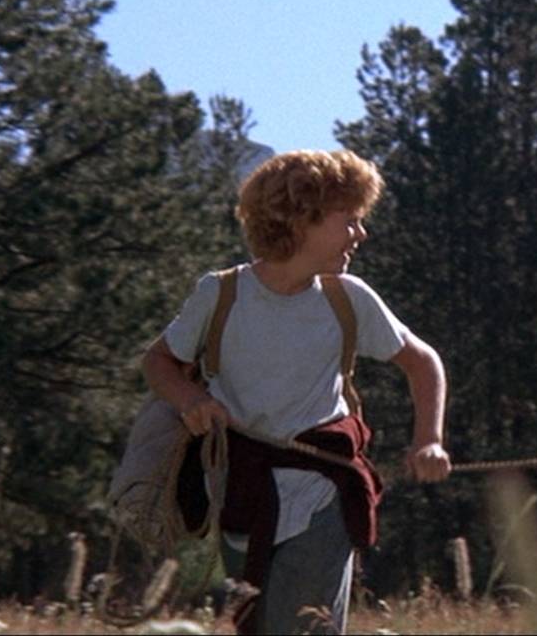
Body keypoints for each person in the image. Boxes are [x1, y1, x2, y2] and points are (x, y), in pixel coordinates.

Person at [142, 149, 451, 635]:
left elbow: (423, 362)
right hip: (242, 493)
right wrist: (191, 400)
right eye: (349, 220)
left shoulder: (348, 298)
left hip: (322, 494)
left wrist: (428, 441)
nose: (361, 233)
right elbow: (158, 361)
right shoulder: (221, 295)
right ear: (302, 218)